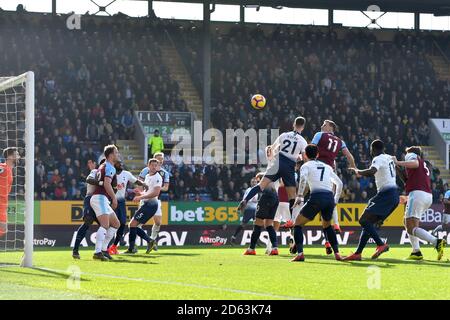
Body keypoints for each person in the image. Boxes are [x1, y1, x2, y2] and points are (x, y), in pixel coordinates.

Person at [238, 117, 307, 220]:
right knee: (292, 197)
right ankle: (292, 222)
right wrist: (299, 158)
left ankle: (245, 200)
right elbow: (304, 158)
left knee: (260, 185)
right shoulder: (302, 141)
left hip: (278, 162)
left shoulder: (284, 135)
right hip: (289, 166)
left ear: (294, 124)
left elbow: (271, 149)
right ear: (303, 127)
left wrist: (272, 159)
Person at [344, 140, 399, 261]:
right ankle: (358, 253)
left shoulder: (378, 158)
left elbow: (372, 171)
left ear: (372, 149)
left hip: (386, 195)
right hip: (394, 196)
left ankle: (380, 244)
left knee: (363, 220)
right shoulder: (389, 157)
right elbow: (397, 167)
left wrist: (358, 171)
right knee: (368, 224)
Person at [290, 144, 343, 262]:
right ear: (318, 154)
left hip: (316, 197)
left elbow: (303, 179)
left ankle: (300, 253)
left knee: (297, 224)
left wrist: (299, 196)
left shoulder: (306, 166)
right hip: (329, 198)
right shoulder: (327, 167)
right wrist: (335, 200)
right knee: (327, 226)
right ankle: (337, 254)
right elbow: (339, 183)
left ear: (305, 155)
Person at [393, 146, 446, 260]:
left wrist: (398, 161)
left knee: (410, 226)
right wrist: (398, 168)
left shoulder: (413, 156)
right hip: (425, 195)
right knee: (408, 222)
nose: (405, 156)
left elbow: (415, 163)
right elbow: (407, 180)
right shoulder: (421, 165)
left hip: (417, 194)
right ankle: (416, 252)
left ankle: (436, 242)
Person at [311, 120, 356, 236]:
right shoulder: (340, 142)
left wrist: (302, 160)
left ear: (331, 127)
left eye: (324, 125)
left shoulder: (319, 135)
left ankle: (294, 221)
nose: (321, 126)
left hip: (317, 169)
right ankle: (336, 224)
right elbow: (349, 156)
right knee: (330, 200)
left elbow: (310, 149)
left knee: (305, 194)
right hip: (329, 172)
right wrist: (355, 169)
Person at [107, 161, 147, 255]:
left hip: (121, 202)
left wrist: (145, 184)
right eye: (118, 163)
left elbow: (136, 181)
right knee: (111, 224)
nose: (120, 164)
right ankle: (105, 247)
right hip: (111, 201)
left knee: (122, 223)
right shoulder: (110, 173)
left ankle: (114, 246)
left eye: (121, 164)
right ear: (114, 165)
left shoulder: (126, 174)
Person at [123, 158, 162, 254]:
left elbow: (155, 193)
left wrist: (140, 197)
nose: (153, 167)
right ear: (148, 166)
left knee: (133, 224)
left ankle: (143, 244)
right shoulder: (148, 176)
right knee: (133, 225)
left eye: (155, 165)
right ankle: (144, 243)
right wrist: (140, 192)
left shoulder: (158, 177)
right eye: (152, 165)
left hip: (151, 205)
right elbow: (148, 191)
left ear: (157, 167)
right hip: (147, 204)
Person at [90, 145, 120, 261]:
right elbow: (107, 184)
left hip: (102, 198)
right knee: (105, 225)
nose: (117, 154)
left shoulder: (103, 165)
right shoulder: (109, 167)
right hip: (100, 198)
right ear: (111, 155)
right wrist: (114, 198)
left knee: (116, 223)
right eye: (116, 152)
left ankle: (103, 250)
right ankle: (97, 252)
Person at [72, 159, 104, 259]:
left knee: (105, 225)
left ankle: (101, 251)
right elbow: (88, 180)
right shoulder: (95, 172)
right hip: (90, 199)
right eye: (104, 164)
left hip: (101, 201)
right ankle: (75, 250)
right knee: (87, 222)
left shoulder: (108, 176)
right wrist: (101, 183)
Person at [138, 152, 170, 252]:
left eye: (162, 159)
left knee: (158, 222)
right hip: (145, 199)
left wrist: (157, 187)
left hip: (156, 200)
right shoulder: (145, 171)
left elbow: (166, 187)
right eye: (158, 159)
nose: (160, 160)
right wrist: (142, 193)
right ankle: (133, 245)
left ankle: (152, 240)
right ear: (154, 159)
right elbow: (139, 183)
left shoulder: (165, 173)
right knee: (137, 224)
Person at [230, 177, 259, 245]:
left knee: (256, 225)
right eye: (253, 182)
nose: (254, 183)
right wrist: (241, 208)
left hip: (255, 210)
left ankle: (255, 240)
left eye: (255, 182)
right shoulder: (249, 190)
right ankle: (233, 237)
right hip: (249, 210)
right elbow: (245, 200)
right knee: (243, 225)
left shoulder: (257, 190)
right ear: (250, 183)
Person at [0, 148, 20, 238]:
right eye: (17, 154)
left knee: (3, 229)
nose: (19, 156)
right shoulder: (3, 168)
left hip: (3, 203)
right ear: (10, 157)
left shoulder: (10, 170)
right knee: (3, 227)